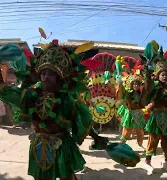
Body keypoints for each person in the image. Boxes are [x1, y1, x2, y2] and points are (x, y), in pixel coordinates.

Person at [0, 40, 107, 180]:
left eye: (50, 73)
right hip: (39, 144)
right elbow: (11, 95)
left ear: (59, 77)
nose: (45, 76)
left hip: (62, 145)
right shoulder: (31, 94)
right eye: (43, 73)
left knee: (68, 177)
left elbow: (80, 119)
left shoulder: (66, 99)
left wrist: (96, 137)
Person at [143, 42, 167, 175]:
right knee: (152, 140)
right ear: (157, 75)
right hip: (155, 116)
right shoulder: (154, 87)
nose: (165, 76)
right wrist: (147, 73)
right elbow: (147, 89)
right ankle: (147, 163)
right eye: (162, 74)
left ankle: (166, 162)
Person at [116, 56, 146, 149]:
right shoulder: (128, 93)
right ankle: (121, 145)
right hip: (130, 113)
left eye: (137, 84)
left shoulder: (140, 94)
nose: (136, 86)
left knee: (140, 131)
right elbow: (121, 93)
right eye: (134, 84)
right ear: (131, 85)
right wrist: (120, 83)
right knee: (127, 131)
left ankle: (140, 143)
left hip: (138, 114)